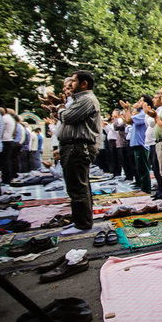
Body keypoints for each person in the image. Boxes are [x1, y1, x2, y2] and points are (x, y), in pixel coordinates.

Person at [56, 70, 102, 235]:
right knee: (77, 184)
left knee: (78, 186)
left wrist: (60, 107)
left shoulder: (87, 100)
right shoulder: (80, 100)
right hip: (73, 146)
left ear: (84, 84)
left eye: (73, 82)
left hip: (78, 147)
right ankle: (80, 219)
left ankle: (83, 224)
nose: (70, 85)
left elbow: (68, 117)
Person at [121, 96, 153, 194]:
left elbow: (128, 120)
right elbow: (127, 120)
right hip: (137, 143)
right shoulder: (140, 114)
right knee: (139, 168)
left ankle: (146, 189)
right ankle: (142, 187)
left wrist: (127, 109)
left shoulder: (143, 114)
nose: (138, 102)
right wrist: (127, 110)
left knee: (143, 168)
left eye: (141, 101)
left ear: (146, 103)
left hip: (141, 144)